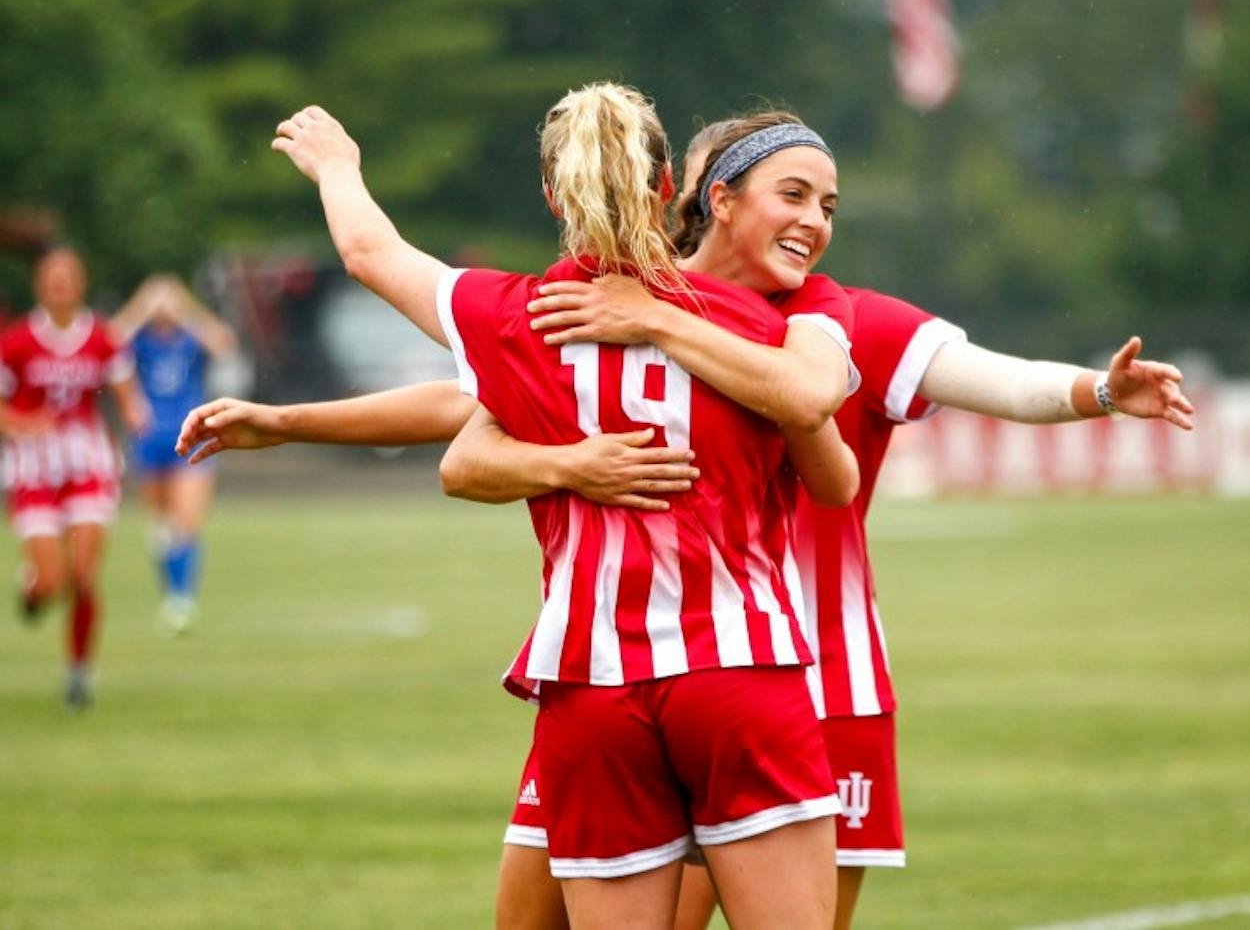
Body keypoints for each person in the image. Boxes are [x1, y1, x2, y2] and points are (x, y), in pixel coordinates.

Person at [500, 114, 1194, 930]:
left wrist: (1102, 391)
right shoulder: (609, 302)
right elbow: (469, 417)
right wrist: (314, 423)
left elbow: (1005, 383)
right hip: (619, 676)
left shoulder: (842, 322)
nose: (815, 222)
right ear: (714, 197)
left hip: (814, 684)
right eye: (792, 194)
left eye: (828, 204)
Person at [263, 85, 860, 930]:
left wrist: (338, 166)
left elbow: (369, 252)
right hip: (737, 671)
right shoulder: (764, 317)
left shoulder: (519, 317)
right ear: (669, 189)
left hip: (589, 690)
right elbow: (816, 424)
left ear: (552, 195)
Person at [1, 247, 150, 708]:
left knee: (84, 576)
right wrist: (23, 424)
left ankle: (79, 673)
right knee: (52, 583)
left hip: (88, 466)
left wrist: (136, 415)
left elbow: (128, 396)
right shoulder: (17, 341)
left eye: (68, 278)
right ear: (40, 286)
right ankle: (33, 589)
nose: (60, 286)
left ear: (80, 283)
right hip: (33, 470)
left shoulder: (104, 339)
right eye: (52, 278)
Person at [113, 273, 237, 634]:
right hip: (150, 440)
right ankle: (173, 596)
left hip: (191, 436)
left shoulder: (189, 338)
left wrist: (185, 310)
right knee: (162, 527)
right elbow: (107, 343)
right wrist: (140, 307)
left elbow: (224, 343)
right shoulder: (140, 342)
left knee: (187, 521)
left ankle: (183, 598)